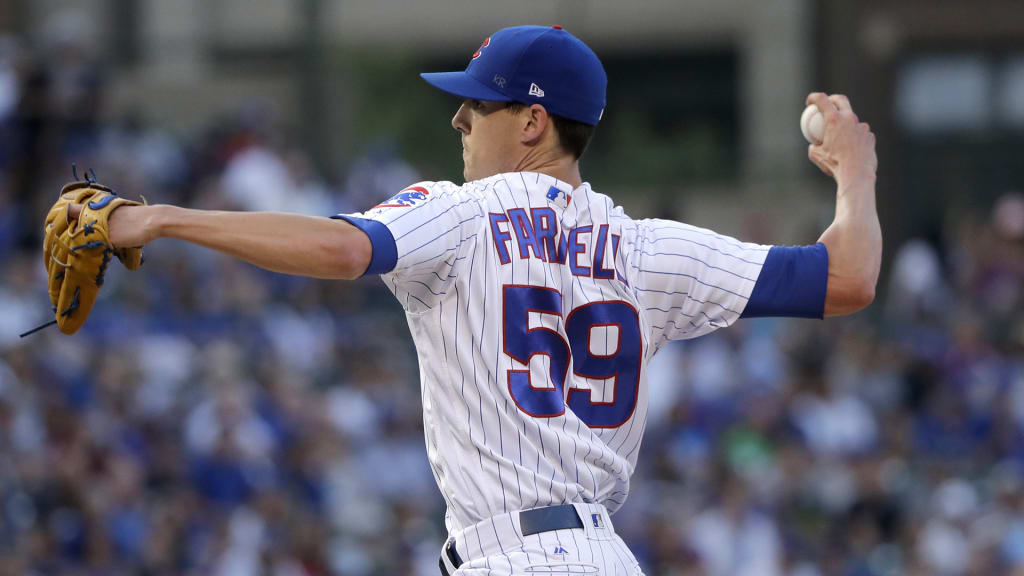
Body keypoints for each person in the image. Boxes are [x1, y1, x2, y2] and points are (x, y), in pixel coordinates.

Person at [71, 25, 880, 576]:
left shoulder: (461, 212)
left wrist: (162, 218)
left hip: (515, 558)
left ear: (532, 122)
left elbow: (344, 247)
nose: (459, 116)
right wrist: (854, 175)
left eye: (479, 103)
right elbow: (845, 280)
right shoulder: (646, 246)